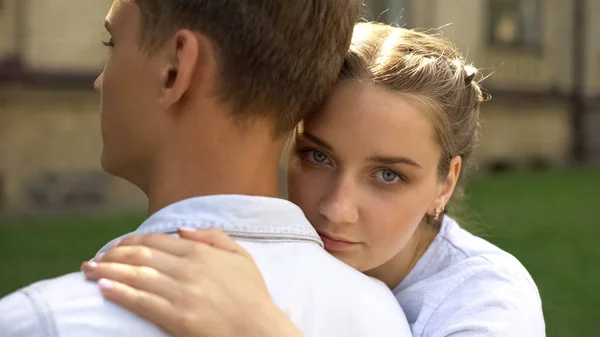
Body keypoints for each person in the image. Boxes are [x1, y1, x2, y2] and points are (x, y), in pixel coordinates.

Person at [82, 22, 547, 337]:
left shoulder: (488, 300)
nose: (335, 208)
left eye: (388, 175)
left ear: (445, 184)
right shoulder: (258, 254)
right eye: (317, 156)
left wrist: (262, 328)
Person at [0, 2, 413, 337]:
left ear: (175, 70)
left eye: (112, 43)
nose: (100, 81)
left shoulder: (45, 322)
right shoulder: (381, 315)